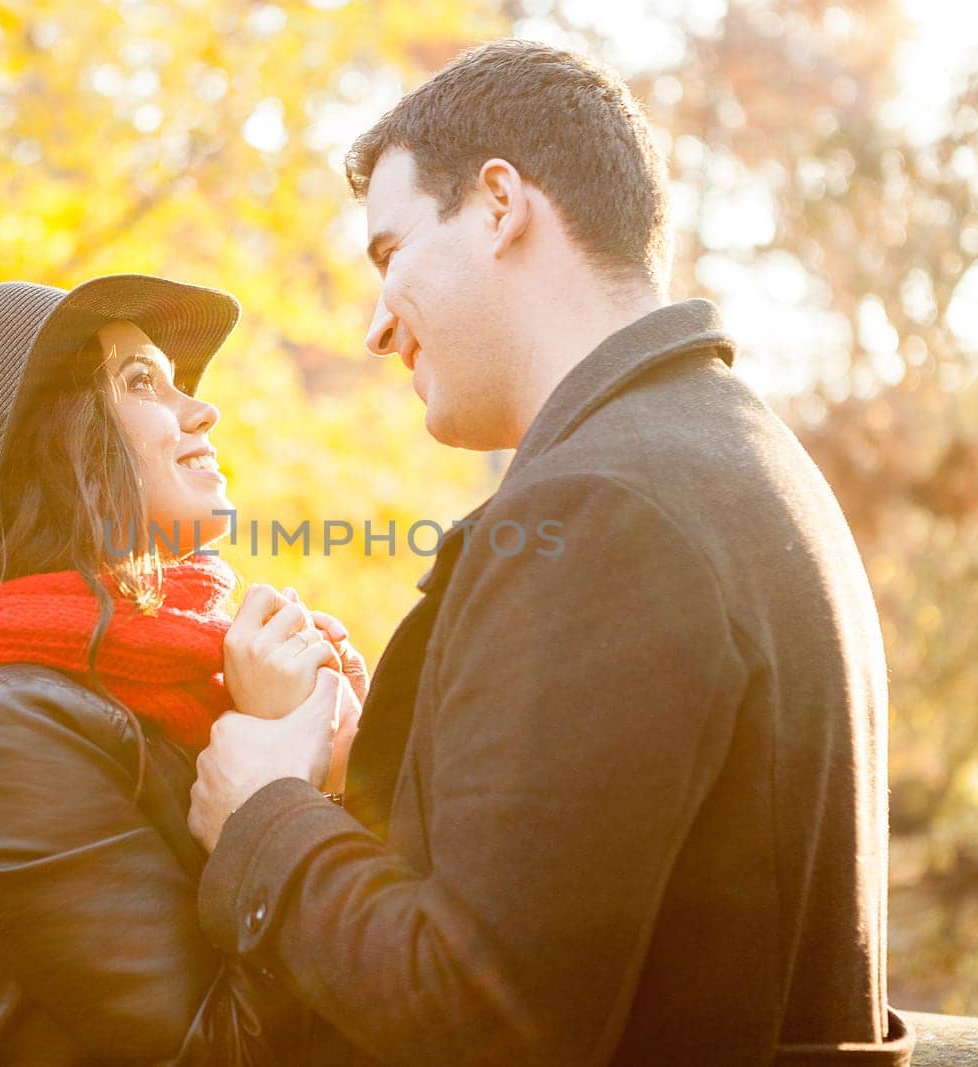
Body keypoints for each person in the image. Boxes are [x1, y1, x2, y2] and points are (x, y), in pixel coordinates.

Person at [188, 39, 917, 1065]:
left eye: (391, 254)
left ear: (498, 204)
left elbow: (481, 1014)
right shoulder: (738, 452)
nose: (373, 329)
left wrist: (264, 814)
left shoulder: (601, 509)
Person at [0, 275, 360, 1064]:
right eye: (142, 381)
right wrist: (282, 781)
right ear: (58, 442)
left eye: (178, 381)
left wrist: (337, 759)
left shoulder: (165, 678)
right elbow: (220, 1050)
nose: (202, 411)